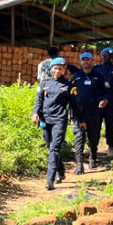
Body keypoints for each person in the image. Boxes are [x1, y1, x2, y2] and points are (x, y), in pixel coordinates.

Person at [33, 57, 78, 190]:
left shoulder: (69, 85)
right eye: (55, 68)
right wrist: (35, 113)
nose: (58, 71)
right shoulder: (44, 83)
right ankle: (61, 170)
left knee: (54, 148)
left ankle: (50, 180)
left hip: (60, 119)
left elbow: (74, 104)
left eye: (60, 69)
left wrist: (79, 119)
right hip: (45, 119)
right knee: (49, 145)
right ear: (51, 69)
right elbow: (38, 100)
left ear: (64, 70)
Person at [67, 52, 103, 173]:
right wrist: (70, 111)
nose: (85, 62)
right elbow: (71, 96)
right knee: (79, 137)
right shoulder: (76, 77)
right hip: (79, 113)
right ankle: (79, 164)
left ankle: (93, 156)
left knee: (94, 136)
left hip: (94, 112)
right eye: (83, 60)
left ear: (92, 61)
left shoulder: (98, 77)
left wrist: (104, 100)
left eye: (88, 59)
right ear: (80, 62)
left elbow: (105, 92)